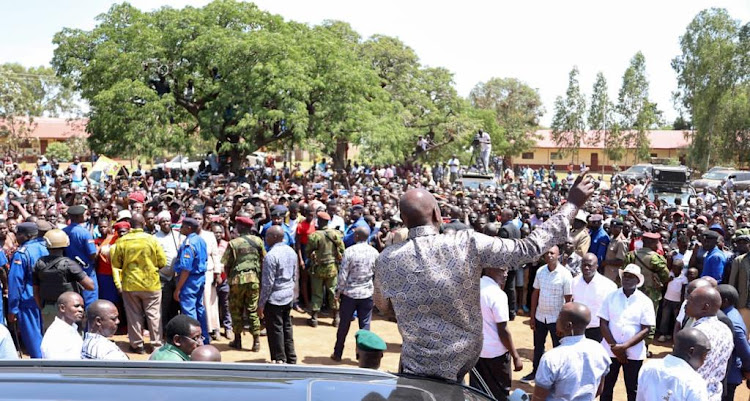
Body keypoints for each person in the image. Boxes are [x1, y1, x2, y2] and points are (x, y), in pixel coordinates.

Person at [373, 174, 594, 382]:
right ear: (437, 214)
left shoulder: (386, 260)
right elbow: (527, 248)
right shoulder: (466, 243)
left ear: (403, 219)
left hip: (414, 367)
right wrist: (572, 204)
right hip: (460, 366)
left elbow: (383, 306)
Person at [110, 213, 166, 354]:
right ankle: (156, 345)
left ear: (130, 225)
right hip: (151, 283)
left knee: (134, 315)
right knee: (154, 315)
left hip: (131, 284)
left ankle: (137, 345)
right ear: (144, 223)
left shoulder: (123, 241)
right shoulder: (152, 240)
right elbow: (162, 262)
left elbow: (116, 263)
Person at [598, 264, 656, 401]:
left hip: (634, 353)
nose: (627, 279)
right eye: (625, 276)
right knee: (606, 387)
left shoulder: (645, 301)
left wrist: (624, 347)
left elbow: (646, 329)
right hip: (609, 350)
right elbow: (603, 323)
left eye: (631, 277)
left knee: (633, 388)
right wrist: (615, 347)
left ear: (638, 281)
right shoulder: (610, 297)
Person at [532, 302, 611, 401]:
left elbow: (538, 398)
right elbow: (599, 390)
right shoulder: (600, 350)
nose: (556, 319)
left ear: (568, 325)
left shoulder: (552, 357)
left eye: (559, 316)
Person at [521, 245, 573, 384]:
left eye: (552, 253)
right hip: (540, 316)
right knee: (538, 347)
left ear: (558, 255)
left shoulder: (565, 274)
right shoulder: (540, 272)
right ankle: (535, 372)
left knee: (558, 349)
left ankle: (558, 378)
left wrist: (563, 323)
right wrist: (532, 317)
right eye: (547, 253)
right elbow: (535, 294)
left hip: (556, 319)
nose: (549, 255)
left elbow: (569, 300)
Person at [469, 267, 522, 401]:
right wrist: (515, 356)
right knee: (500, 393)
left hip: (475, 351)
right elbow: (503, 331)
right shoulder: (497, 295)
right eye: (502, 270)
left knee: (477, 392)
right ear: (489, 270)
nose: (506, 274)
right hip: (496, 354)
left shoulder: (471, 287)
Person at [32, 228, 95, 332]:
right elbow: (90, 286)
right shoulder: (70, 264)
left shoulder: (39, 264)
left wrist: (44, 308)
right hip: (69, 310)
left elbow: (36, 292)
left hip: (48, 309)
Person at [331, 226, 379, 362]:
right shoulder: (374, 252)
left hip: (349, 294)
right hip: (367, 293)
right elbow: (377, 275)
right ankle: (362, 356)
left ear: (356, 236)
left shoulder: (349, 251)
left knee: (344, 325)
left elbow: (343, 275)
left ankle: (337, 353)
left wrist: (338, 292)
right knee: (365, 326)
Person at [222, 216, 265, 351]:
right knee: (252, 309)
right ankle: (256, 341)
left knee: (236, 309)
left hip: (237, 280)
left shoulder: (234, 243)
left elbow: (226, 264)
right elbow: (264, 260)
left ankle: (238, 340)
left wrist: (230, 279)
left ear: (241, 227)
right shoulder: (258, 241)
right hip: (254, 280)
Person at [8, 222, 49, 358]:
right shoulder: (46, 248)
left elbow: (16, 282)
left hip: (28, 302)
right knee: (47, 336)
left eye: (18, 234)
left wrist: (12, 309)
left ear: (26, 236)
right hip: (47, 299)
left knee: (34, 340)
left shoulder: (22, 253)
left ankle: (40, 370)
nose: (16, 237)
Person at [258, 225, 298, 364]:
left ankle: (279, 359)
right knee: (287, 327)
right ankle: (291, 358)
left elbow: (267, 284)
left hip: (274, 298)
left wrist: (261, 304)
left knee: (275, 330)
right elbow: (295, 275)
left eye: (267, 236)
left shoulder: (271, 256)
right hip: (288, 295)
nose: (265, 239)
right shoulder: (291, 251)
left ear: (274, 237)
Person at [686, 285, 734, 401]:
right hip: (712, 394)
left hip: (691, 394)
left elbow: (686, 369)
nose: (686, 302)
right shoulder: (725, 329)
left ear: (705, 307)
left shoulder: (697, 333)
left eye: (691, 300)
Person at [635, 328, 710, 401]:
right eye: (704, 355)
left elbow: (640, 398)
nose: (704, 360)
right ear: (691, 352)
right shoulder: (695, 382)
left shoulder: (648, 367)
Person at [173, 218, 210, 344]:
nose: (181, 229)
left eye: (183, 226)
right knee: (199, 308)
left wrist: (178, 288)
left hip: (189, 280)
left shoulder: (189, 242)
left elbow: (186, 269)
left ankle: (194, 341)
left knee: (189, 311)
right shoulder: (201, 240)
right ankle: (204, 338)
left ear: (189, 228)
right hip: (199, 278)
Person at [305, 211, 345, 328]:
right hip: (332, 268)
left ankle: (314, 318)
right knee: (333, 292)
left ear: (319, 221)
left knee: (317, 292)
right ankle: (336, 318)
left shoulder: (314, 235)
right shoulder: (335, 234)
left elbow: (308, 252)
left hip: (317, 268)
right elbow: (342, 249)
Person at [571, 253, 617, 342]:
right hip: (577, 329)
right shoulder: (573, 282)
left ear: (596, 266)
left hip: (598, 330)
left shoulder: (609, 286)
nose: (586, 268)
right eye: (584, 265)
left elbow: (612, 310)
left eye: (590, 265)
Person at [717, 284, 750, 401]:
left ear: (724, 301)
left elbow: (745, 352)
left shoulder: (732, 323)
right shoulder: (730, 313)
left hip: (729, 376)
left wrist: (747, 371)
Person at [63, 205, 99, 308]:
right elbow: (92, 254)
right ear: (80, 217)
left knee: (73, 302)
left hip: (69, 270)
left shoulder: (64, 231)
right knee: (90, 302)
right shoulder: (84, 233)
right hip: (86, 270)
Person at [40, 291, 84, 360]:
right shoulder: (56, 334)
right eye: (76, 306)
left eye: (82, 307)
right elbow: (55, 366)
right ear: (62, 308)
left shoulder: (72, 328)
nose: (81, 310)